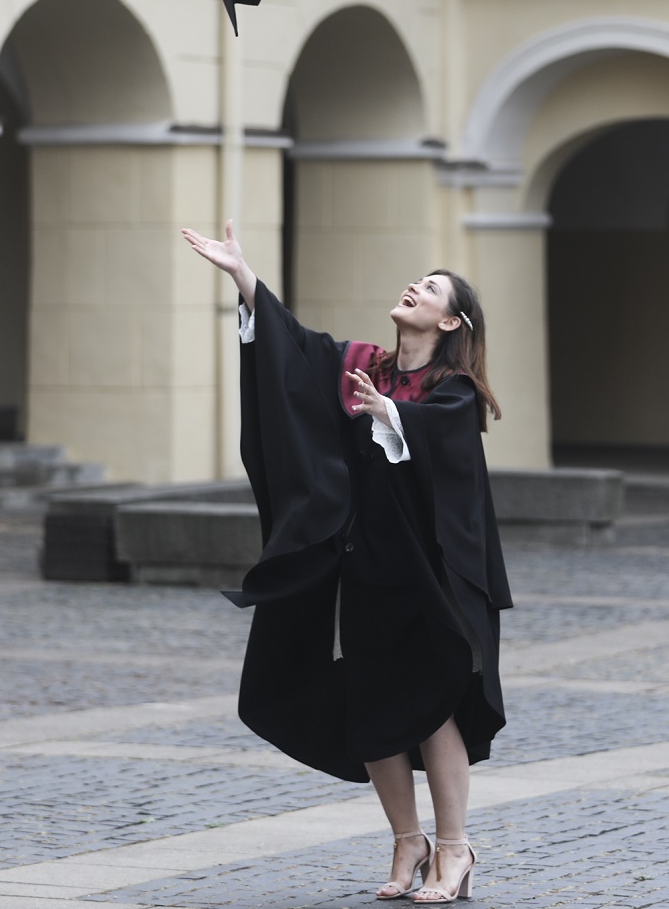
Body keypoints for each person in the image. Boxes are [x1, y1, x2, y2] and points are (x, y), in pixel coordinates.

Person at [181, 220, 512, 903]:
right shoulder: (364, 363)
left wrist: (392, 414)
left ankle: (454, 850)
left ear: (451, 320)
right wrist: (244, 279)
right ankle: (406, 841)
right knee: (367, 700)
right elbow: (295, 352)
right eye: (416, 280)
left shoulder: (452, 392)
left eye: (430, 289)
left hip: (428, 575)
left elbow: (442, 446)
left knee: (433, 705)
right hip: (360, 563)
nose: (414, 288)